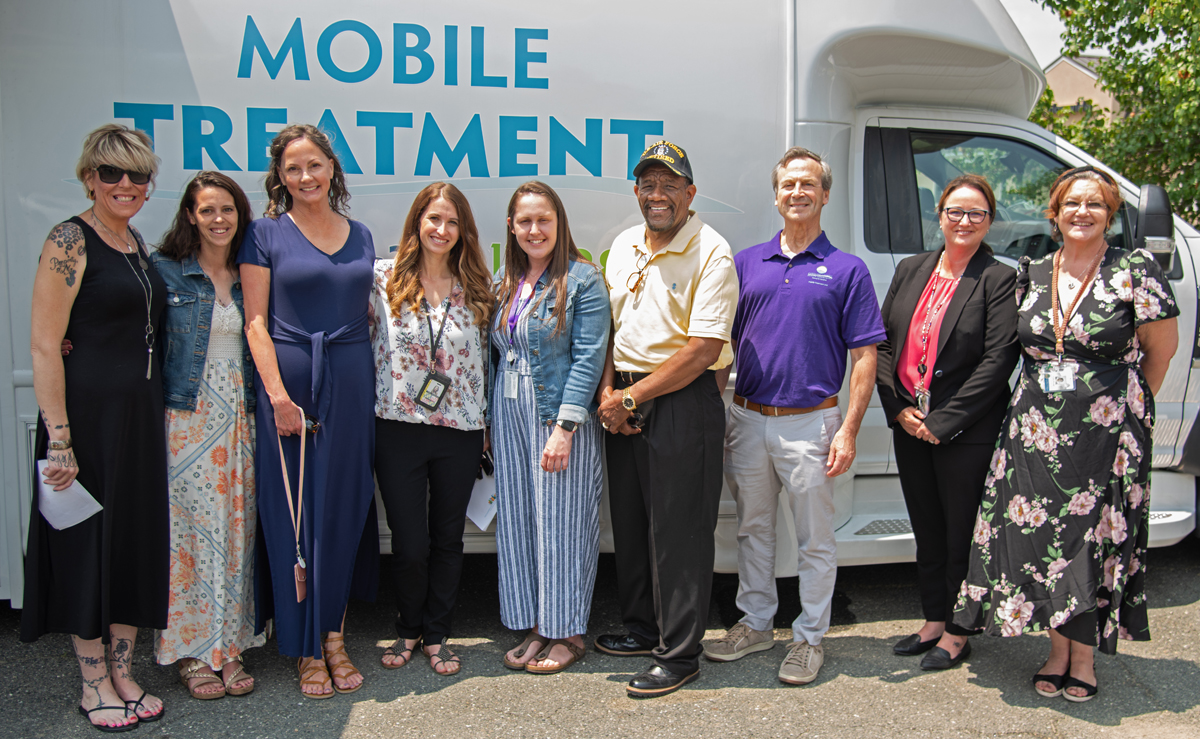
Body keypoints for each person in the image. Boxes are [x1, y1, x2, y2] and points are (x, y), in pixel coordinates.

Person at [954, 166, 1179, 702]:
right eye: (1072, 204)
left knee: (1093, 538)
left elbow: (1160, 352)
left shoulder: (1135, 269)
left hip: (1107, 435)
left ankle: (1083, 658)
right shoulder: (1030, 272)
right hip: (1034, 433)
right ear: (1053, 214)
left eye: (1095, 204)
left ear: (1110, 214)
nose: (1083, 212)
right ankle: (1055, 650)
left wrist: (1118, 413)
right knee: (1043, 540)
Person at [702, 147, 887, 685]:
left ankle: (809, 638)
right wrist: (717, 416)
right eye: (788, 185)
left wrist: (848, 430)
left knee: (814, 539)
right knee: (752, 529)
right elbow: (720, 348)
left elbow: (865, 358)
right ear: (777, 194)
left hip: (813, 423)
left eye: (808, 184)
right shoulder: (746, 263)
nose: (798, 193)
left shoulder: (848, 270)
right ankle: (757, 623)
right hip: (747, 417)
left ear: (825, 194)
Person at [23, 123, 168, 731]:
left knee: (130, 545)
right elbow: (42, 344)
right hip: (83, 423)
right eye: (112, 174)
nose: (125, 185)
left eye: (137, 175)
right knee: (86, 549)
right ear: (90, 178)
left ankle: (123, 670)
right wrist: (60, 437)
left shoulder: (134, 241)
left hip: (136, 425)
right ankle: (91, 683)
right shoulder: (70, 240)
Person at [239, 124, 379, 699]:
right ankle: (301, 647)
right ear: (280, 177)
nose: (305, 177)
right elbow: (255, 322)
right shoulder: (264, 233)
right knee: (294, 512)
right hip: (290, 386)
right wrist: (277, 397)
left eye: (314, 165)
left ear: (332, 168)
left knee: (343, 508)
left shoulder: (363, 233)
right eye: (293, 168)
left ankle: (335, 636)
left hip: (350, 381)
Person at [595, 140, 738, 698]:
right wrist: (611, 392)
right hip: (625, 394)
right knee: (632, 525)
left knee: (679, 533)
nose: (657, 195)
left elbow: (704, 349)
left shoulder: (712, 251)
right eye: (648, 185)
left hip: (680, 397)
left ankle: (680, 655)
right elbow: (613, 327)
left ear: (690, 193)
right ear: (636, 191)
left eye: (669, 185)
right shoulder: (627, 242)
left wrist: (631, 400)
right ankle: (642, 629)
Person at [875, 175, 1019, 670]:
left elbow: (999, 358)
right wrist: (898, 409)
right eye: (955, 211)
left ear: (989, 222)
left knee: (961, 531)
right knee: (927, 528)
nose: (964, 221)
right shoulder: (911, 268)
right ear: (939, 216)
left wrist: (946, 420)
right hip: (910, 422)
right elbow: (883, 342)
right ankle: (934, 618)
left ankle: (959, 630)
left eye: (976, 213)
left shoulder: (998, 279)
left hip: (965, 431)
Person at [150, 171, 265, 699]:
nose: (219, 220)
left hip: (240, 420)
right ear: (190, 217)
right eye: (207, 211)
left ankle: (232, 646)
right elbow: (131, 333)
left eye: (228, 210)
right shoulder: (167, 272)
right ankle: (194, 652)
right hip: (188, 420)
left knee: (237, 531)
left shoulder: (250, 275)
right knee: (190, 538)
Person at [370, 182, 493, 676]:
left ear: (463, 230)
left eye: (452, 221)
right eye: (433, 219)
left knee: (448, 538)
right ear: (417, 223)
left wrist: (485, 428)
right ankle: (407, 628)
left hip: (459, 430)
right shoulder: (382, 279)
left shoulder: (479, 287)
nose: (442, 230)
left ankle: (437, 635)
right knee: (408, 541)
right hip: (397, 426)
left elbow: (487, 360)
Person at [490, 182, 611, 674]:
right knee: (520, 520)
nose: (534, 230)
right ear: (512, 227)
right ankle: (537, 623)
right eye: (524, 221)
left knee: (562, 523)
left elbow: (588, 358)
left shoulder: (582, 279)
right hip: (508, 411)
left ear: (559, 224)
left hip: (556, 413)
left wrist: (565, 428)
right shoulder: (507, 279)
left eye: (543, 220)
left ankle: (569, 631)